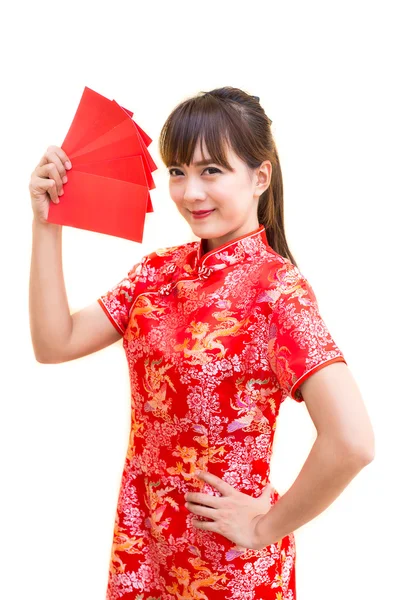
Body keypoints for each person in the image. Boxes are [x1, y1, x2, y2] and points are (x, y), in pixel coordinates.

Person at [29, 86, 375, 600]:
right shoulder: (157, 270)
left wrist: (266, 527)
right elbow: (55, 343)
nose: (190, 193)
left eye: (211, 170)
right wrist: (46, 223)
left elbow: (352, 441)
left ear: (260, 177)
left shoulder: (276, 291)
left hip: (226, 562)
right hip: (143, 541)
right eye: (177, 171)